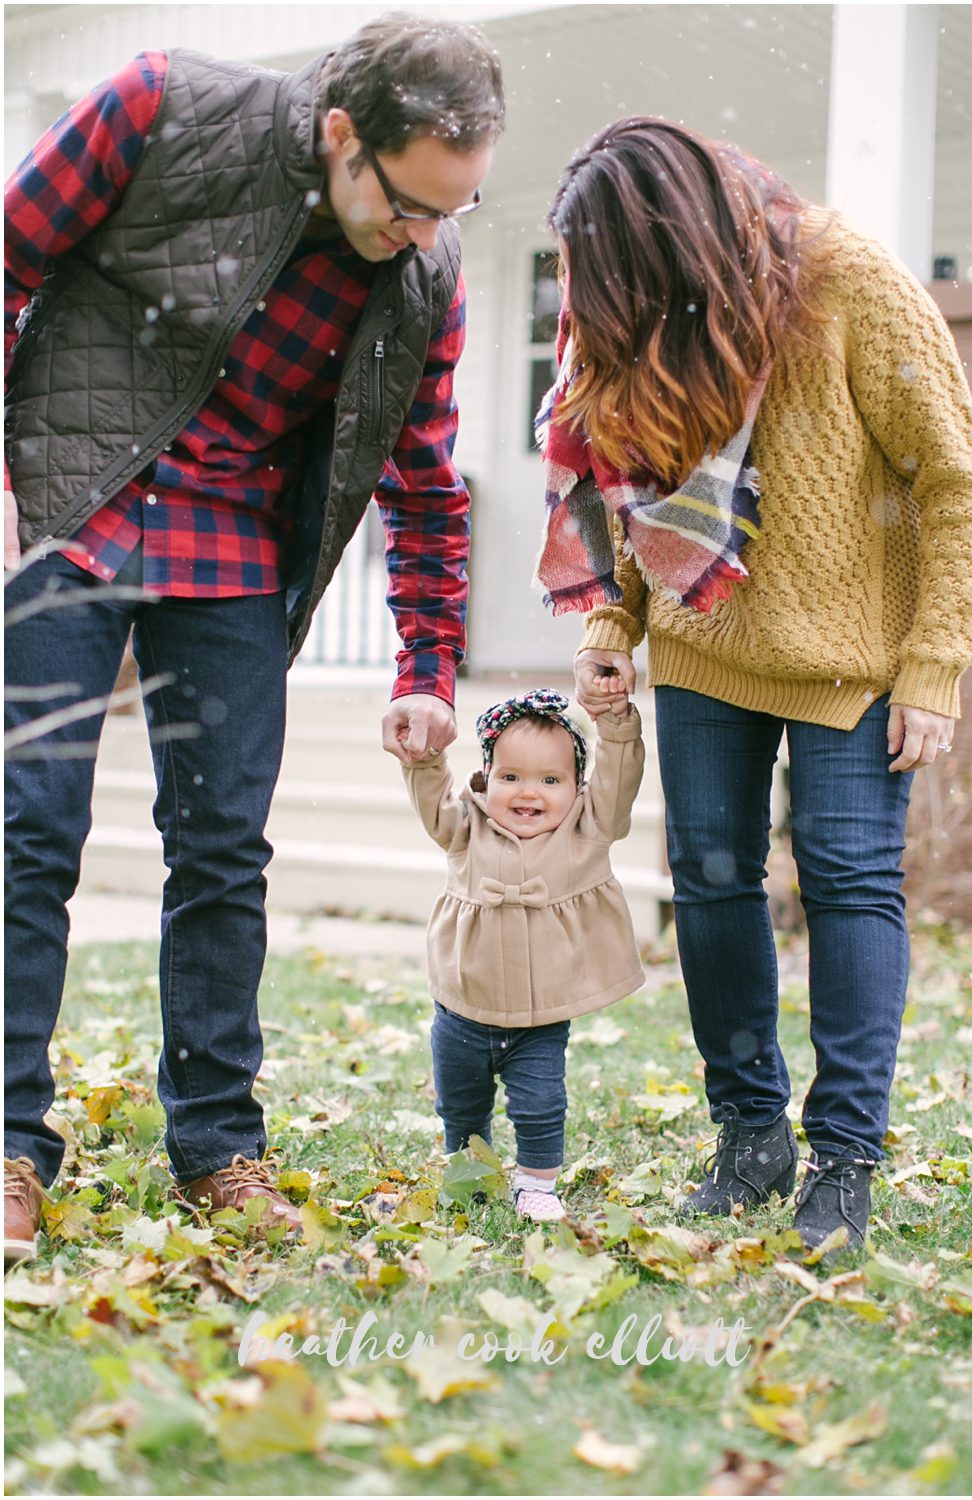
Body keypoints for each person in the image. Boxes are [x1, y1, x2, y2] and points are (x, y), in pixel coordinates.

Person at [4, 14, 503, 1266]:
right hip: (71, 502)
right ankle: (7, 1144)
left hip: (231, 551)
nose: (426, 235)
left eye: (455, 209)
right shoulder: (160, 107)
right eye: (408, 204)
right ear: (340, 133)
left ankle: (219, 1148)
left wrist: (427, 664)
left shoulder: (424, 274)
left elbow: (424, 479)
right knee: (30, 831)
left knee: (224, 853)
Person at [540, 119, 972, 1253]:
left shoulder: (849, 281)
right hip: (705, 641)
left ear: (683, 240)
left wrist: (934, 665)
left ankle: (844, 1157)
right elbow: (620, 474)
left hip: (853, 659)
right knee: (709, 881)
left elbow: (958, 483)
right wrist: (612, 618)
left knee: (847, 880)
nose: (603, 302)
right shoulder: (632, 311)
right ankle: (749, 1135)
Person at [404, 688, 645, 1225]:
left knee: (540, 1105)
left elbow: (618, 781)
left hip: (540, 1017)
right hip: (462, 1009)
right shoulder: (466, 825)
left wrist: (617, 729)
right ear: (486, 777)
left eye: (550, 781)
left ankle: (536, 1184)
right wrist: (425, 759)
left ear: (578, 786)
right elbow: (431, 800)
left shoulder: (588, 828)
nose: (528, 793)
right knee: (460, 1104)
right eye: (510, 777)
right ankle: (471, 1173)